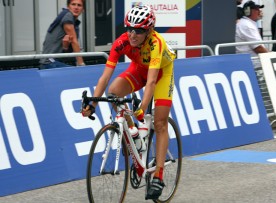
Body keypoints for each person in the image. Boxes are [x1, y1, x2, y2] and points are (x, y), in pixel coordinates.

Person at [81, 5, 176, 200]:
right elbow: (104, 78)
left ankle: (158, 175)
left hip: (160, 74)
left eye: (139, 30)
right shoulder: (121, 42)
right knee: (114, 92)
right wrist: (93, 105)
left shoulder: (155, 43)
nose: (133, 34)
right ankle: (133, 130)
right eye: (129, 29)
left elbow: (150, 82)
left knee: (159, 122)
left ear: (148, 30)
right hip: (139, 69)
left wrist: (141, 107)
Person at [40, 0, 85, 69]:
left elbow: (68, 50)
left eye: (79, 5)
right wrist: (81, 64)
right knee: (78, 74)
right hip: (49, 63)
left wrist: (65, 46)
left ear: (83, 9)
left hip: (54, 62)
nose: (76, 7)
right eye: (73, 4)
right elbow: (74, 41)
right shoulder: (68, 15)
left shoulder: (73, 21)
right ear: (68, 7)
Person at [236, 1, 268, 69]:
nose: (259, 11)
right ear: (248, 11)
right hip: (253, 66)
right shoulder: (247, 25)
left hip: (252, 64)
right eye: (257, 9)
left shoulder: (248, 23)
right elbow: (258, 48)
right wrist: (271, 55)